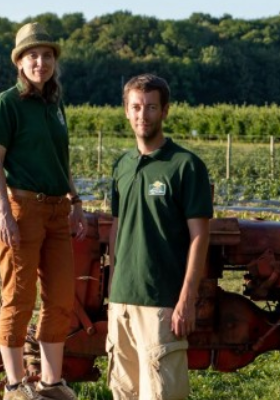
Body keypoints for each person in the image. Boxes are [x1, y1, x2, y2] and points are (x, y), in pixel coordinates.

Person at [0, 22, 84, 400]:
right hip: (21, 208)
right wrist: (4, 212)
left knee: (60, 298)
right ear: (20, 62)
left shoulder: (55, 104)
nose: (40, 62)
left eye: (46, 56)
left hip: (58, 211)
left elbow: (63, 161)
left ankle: (51, 382)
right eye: (32, 56)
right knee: (20, 297)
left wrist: (76, 201)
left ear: (54, 62)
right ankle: (14, 385)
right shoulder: (7, 103)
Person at [107, 74, 213, 400]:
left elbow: (200, 237)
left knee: (162, 394)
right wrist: (112, 290)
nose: (143, 115)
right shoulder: (122, 165)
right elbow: (117, 227)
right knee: (123, 391)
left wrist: (186, 299)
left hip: (162, 303)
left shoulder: (186, 166)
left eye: (151, 107)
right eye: (136, 107)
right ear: (126, 111)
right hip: (121, 301)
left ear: (165, 111)